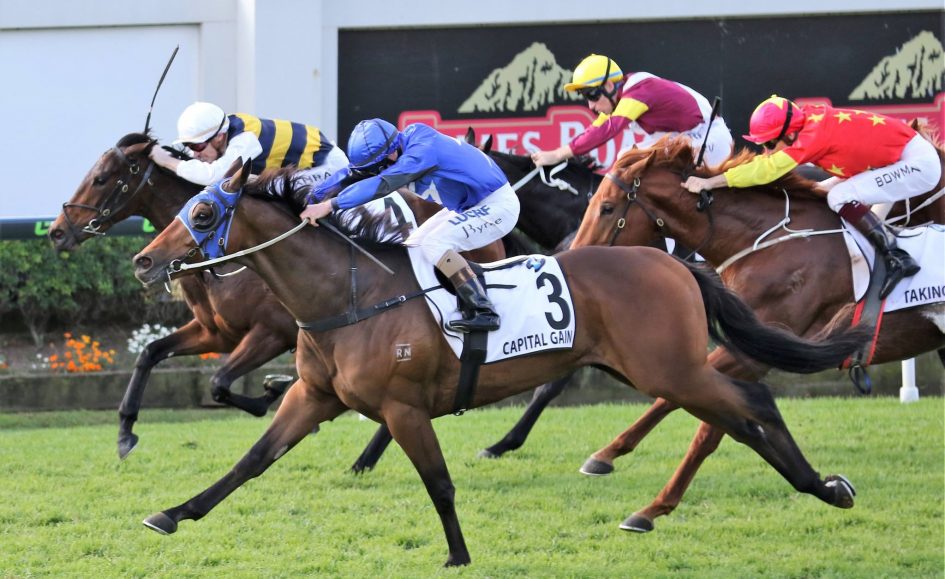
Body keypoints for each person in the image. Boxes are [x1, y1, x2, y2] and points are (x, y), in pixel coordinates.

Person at [682, 95, 941, 298]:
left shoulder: (812, 137)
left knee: (838, 197)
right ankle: (879, 256)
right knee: (821, 191)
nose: (766, 151)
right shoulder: (806, 122)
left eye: (769, 144)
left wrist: (711, 182)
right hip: (892, 161)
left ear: (789, 134)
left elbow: (766, 170)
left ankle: (898, 259)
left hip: (917, 165)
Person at [301, 118, 520, 332]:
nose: (375, 171)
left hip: (498, 206)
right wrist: (311, 198)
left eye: (377, 167)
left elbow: (381, 184)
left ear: (391, 154)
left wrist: (330, 205)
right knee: (413, 247)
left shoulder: (421, 150)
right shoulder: (394, 148)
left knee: (434, 244)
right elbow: (350, 174)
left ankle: (484, 311)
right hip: (469, 207)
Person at [530, 54, 733, 169]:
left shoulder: (638, 92)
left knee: (630, 162)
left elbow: (607, 129)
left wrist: (557, 154)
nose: (591, 106)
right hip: (685, 136)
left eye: (592, 95)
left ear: (609, 86)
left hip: (708, 138)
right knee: (625, 157)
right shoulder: (625, 96)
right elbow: (595, 129)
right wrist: (558, 153)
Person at [149, 101, 348, 190]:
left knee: (272, 189)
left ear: (218, 137)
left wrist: (166, 160)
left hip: (327, 167)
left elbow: (213, 177)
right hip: (305, 166)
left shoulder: (244, 141)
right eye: (189, 146)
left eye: (197, 146)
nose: (195, 154)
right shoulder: (225, 128)